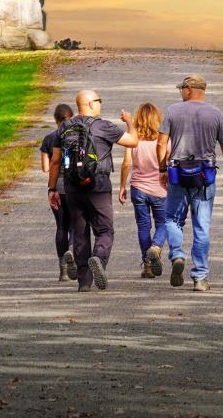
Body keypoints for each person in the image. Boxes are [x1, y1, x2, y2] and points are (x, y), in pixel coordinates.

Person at [48, 89, 139, 292]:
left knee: (80, 233)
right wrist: (130, 122)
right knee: (105, 229)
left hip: (72, 186)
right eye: (99, 101)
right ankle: (98, 257)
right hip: (98, 185)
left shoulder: (64, 127)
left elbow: (55, 161)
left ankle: (84, 282)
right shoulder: (104, 126)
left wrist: (52, 188)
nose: (100, 104)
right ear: (90, 104)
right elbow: (133, 142)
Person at [158, 74, 223, 293]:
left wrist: (162, 168)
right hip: (204, 175)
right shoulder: (216, 114)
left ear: (190, 89)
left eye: (182, 88)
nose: (181, 92)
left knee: (172, 218)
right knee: (202, 226)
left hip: (177, 174)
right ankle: (200, 278)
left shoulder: (173, 111)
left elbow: (161, 143)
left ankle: (177, 254)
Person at [118, 102, 169, 278]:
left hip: (138, 188)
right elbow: (169, 163)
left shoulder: (133, 139)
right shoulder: (163, 139)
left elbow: (126, 164)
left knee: (143, 226)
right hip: (160, 189)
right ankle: (156, 247)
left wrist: (122, 186)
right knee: (164, 223)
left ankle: (147, 265)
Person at [39, 103, 76, 281]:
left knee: (61, 226)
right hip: (74, 186)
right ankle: (72, 250)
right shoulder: (77, 134)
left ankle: (63, 270)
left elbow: (46, 167)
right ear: (72, 116)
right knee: (77, 224)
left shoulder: (49, 138)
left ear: (55, 120)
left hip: (57, 186)